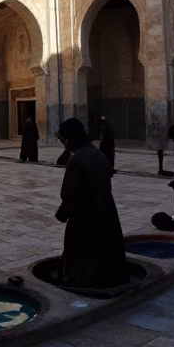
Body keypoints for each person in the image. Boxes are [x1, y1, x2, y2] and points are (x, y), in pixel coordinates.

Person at [54, 119, 128, 289]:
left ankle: (81, 282)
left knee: (82, 253)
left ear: (70, 139)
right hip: (106, 212)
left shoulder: (78, 158)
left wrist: (63, 213)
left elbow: (71, 194)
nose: (64, 144)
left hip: (85, 217)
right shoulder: (97, 154)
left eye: (64, 140)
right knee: (103, 250)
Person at [149, 111, 172, 176]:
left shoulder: (159, 124)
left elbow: (162, 132)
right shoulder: (153, 125)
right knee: (160, 155)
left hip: (160, 142)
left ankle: (161, 169)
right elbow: (152, 134)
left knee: (161, 156)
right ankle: (160, 169)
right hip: (157, 142)